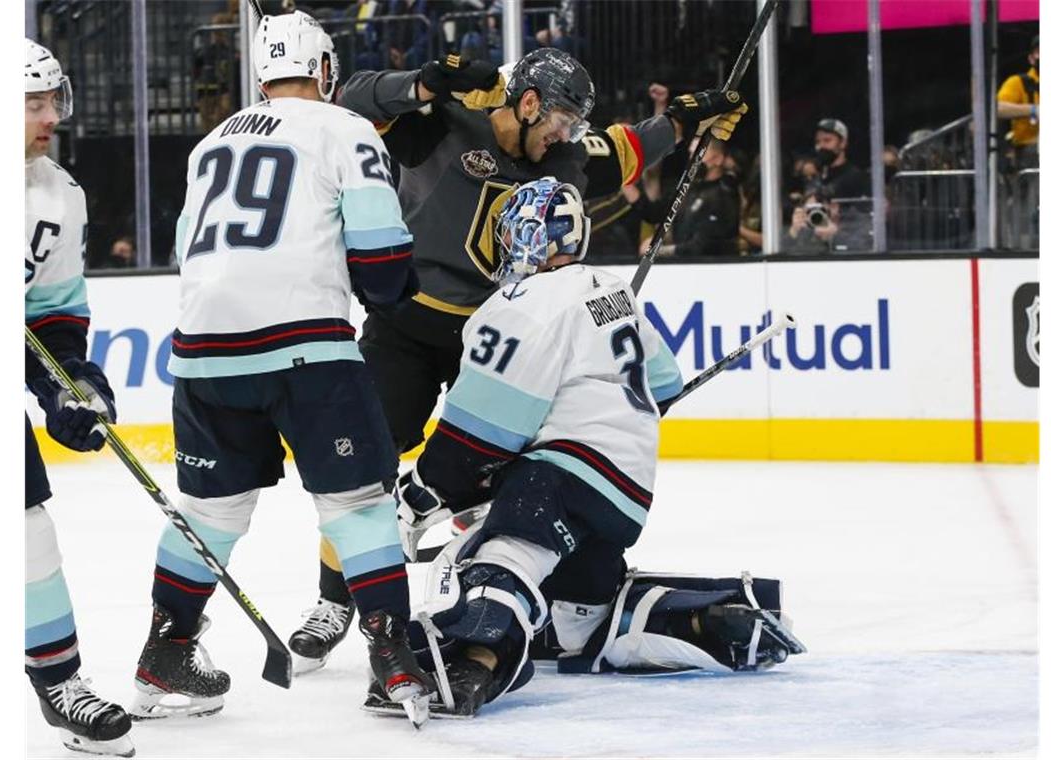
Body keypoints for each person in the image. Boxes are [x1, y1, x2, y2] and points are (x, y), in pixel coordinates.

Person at [289, 47, 748, 666]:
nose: (566, 135)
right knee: (364, 465)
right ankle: (333, 599)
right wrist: (423, 82)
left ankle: (513, 570)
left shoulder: (560, 156)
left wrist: (684, 123)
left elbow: (622, 150)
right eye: (560, 119)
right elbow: (346, 101)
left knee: (518, 460)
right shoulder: (441, 123)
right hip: (409, 325)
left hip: (500, 334)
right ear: (527, 103)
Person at [373, 179, 803, 718]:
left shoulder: (523, 303)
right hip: (628, 492)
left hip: (563, 474)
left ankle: (470, 662)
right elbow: (664, 387)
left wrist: (424, 489)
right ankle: (699, 617)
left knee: (505, 552)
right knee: (576, 621)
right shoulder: (609, 288)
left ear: (530, 237)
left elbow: (480, 433)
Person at [129, 11, 433, 723]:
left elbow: (187, 250)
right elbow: (383, 259)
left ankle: (164, 651)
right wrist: (397, 294)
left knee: (210, 509)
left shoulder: (210, 143)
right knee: (356, 503)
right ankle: (391, 653)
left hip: (203, 350)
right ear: (324, 71)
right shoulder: (345, 128)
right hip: (305, 347)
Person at [24, 39, 134, 758]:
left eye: (54, 101)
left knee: (25, 530)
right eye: (33, 103)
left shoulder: (59, 195)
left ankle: (60, 683)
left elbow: (54, 320)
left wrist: (73, 384)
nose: (51, 116)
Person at [622, 136, 742, 257]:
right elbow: (653, 213)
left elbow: (701, 247)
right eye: (691, 154)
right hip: (682, 268)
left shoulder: (724, 195)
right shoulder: (687, 189)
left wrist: (657, 250)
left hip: (712, 270)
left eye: (699, 154)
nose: (692, 159)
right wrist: (624, 179)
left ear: (718, 159)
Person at [996, 34, 1039, 169]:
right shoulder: (1018, 82)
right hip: (1030, 153)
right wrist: (1034, 110)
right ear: (1031, 59)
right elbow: (997, 108)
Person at [783, 189, 871, 254]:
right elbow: (784, 253)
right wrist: (793, 232)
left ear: (834, 207)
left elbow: (865, 247)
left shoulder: (855, 220)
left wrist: (835, 235)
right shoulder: (807, 229)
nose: (815, 214)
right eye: (809, 210)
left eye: (817, 209)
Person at [811, 118, 869, 201]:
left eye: (827, 140)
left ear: (843, 143)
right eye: (818, 142)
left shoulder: (856, 177)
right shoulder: (816, 177)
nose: (821, 146)